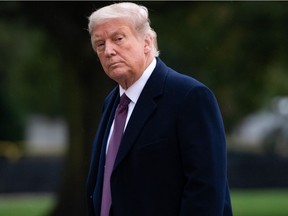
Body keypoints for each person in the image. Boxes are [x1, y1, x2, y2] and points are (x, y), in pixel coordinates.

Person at [86, 2, 233, 216]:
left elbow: (206, 190)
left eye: (118, 38)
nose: (108, 51)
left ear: (146, 42)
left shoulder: (189, 96)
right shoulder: (112, 103)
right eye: (100, 44)